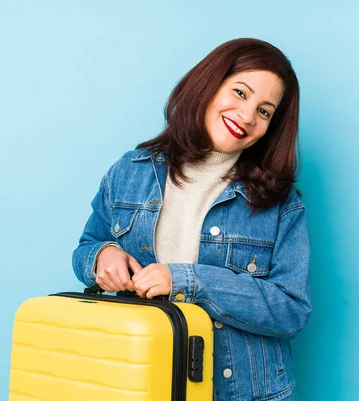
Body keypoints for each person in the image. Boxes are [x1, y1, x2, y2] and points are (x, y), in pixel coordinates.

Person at [72, 38, 311, 401]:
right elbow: (87, 248)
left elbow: (291, 310)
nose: (247, 117)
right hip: (138, 381)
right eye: (240, 92)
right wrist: (102, 257)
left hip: (242, 391)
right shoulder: (130, 171)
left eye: (265, 111)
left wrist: (188, 280)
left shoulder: (279, 202)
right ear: (208, 84)